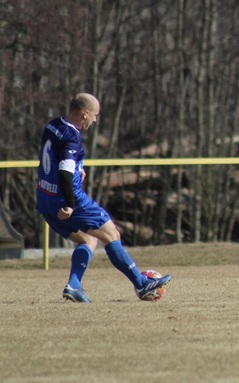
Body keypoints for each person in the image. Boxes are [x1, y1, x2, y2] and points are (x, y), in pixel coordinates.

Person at [36, 93, 171, 303]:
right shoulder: (72, 136)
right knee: (111, 234)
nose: (95, 120)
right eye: (95, 115)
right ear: (85, 113)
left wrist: (78, 167)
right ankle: (142, 284)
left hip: (45, 198)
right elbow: (64, 170)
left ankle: (74, 286)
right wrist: (70, 204)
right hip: (69, 200)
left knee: (88, 240)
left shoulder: (53, 125)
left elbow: (55, 159)